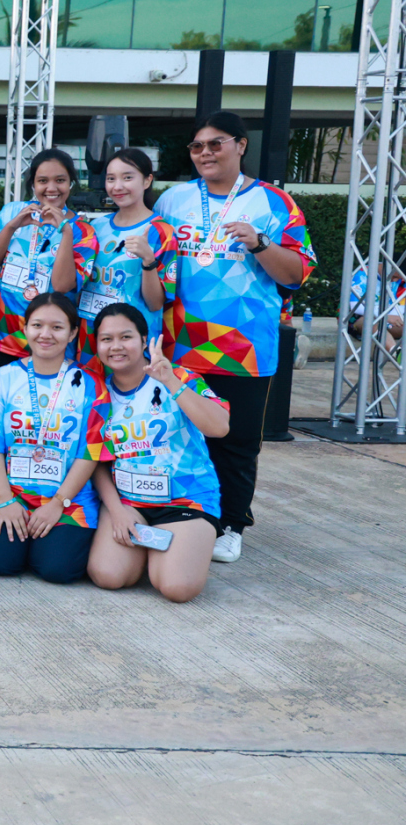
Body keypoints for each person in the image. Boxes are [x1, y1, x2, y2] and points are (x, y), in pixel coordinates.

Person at [153, 110, 314, 564]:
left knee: (237, 441)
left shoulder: (275, 203)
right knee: (180, 436)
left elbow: (297, 274)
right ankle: (183, 514)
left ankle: (231, 525)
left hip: (243, 346)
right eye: (197, 146)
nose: (205, 153)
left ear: (241, 145)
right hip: (178, 343)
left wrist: (261, 243)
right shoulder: (173, 200)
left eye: (215, 143)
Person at [86, 303, 228, 603]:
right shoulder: (97, 391)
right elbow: (94, 460)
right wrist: (116, 510)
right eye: (106, 339)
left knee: (177, 588)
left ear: (143, 340)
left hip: (184, 499)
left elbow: (219, 427)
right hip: (129, 503)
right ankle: (155, 551)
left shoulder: (178, 376)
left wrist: (170, 382)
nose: (116, 346)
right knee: (108, 575)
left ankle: (176, 549)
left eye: (126, 337)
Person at [0, 293, 109, 584]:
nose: (45, 334)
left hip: (68, 500)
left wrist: (58, 503)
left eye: (57, 327)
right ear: (25, 327)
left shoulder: (91, 384)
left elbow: (90, 453)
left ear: (73, 333)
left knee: (57, 570)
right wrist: (5, 500)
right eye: (37, 325)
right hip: (12, 495)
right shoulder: (2, 377)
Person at [0, 148, 98, 373]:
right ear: (33, 184)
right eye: (42, 181)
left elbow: (62, 286)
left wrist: (66, 232)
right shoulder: (12, 211)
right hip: (0, 336)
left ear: (71, 183)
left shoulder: (83, 231)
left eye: (60, 180)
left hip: (50, 342)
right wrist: (11, 227)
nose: (51, 188)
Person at [77, 148, 177, 362]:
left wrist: (148, 261)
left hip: (130, 346)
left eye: (127, 177)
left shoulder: (160, 231)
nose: (117, 186)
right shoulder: (96, 227)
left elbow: (155, 304)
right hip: (90, 338)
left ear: (147, 180)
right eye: (111, 179)